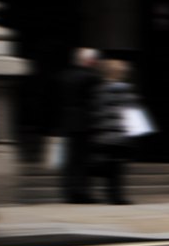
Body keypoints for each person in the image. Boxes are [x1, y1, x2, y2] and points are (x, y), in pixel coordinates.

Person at [91, 59, 142, 205]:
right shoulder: (126, 90)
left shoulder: (99, 91)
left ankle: (109, 193)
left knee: (109, 165)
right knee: (118, 168)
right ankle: (116, 196)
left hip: (103, 134)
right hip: (120, 135)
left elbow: (95, 111)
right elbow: (133, 113)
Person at [58, 48, 100, 203]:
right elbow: (95, 102)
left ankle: (69, 191)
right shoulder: (92, 78)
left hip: (68, 122)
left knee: (70, 159)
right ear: (89, 61)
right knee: (83, 160)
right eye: (94, 60)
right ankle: (82, 192)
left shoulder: (65, 76)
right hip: (86, 123)